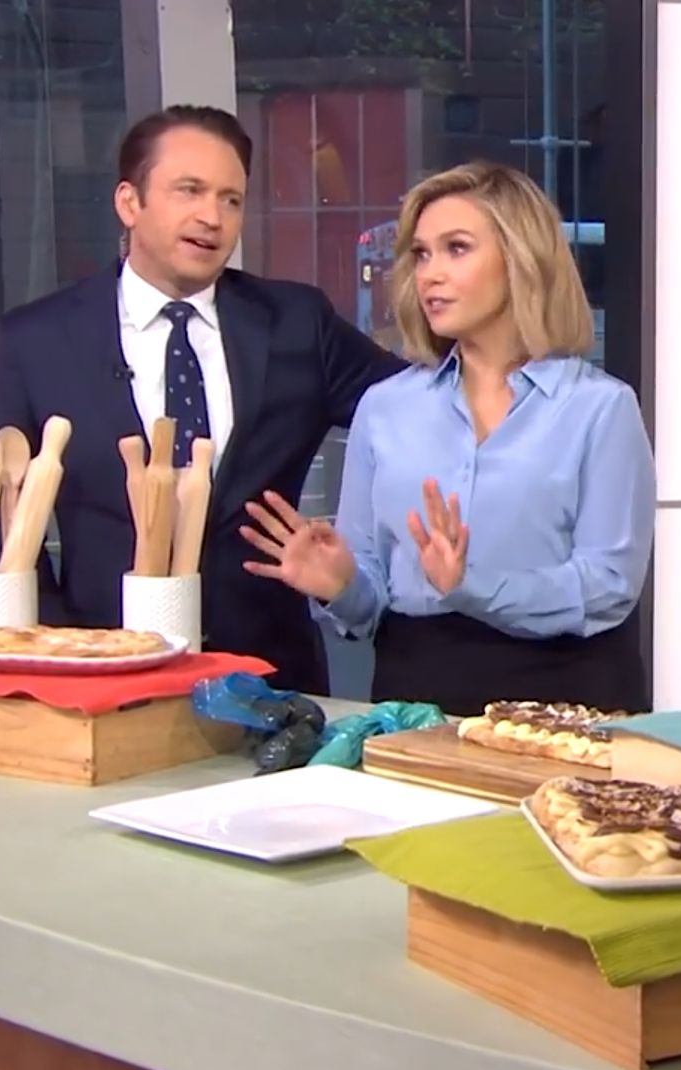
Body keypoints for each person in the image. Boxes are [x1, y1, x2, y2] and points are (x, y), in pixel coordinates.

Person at [0, 105, 404, 693]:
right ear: (129, 202)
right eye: (190, 191)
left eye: (231, 199)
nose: (212, 217)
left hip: (271, 684)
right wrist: (61, 660)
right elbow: (4, 525)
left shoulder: (296, 323)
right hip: (100, 682)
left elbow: (419, 412)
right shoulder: (37, 340)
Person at [239, 162, 656, 716]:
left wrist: (470, 584)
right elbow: (371, 599)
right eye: (421, 254)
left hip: (571, 693)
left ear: (520, 258)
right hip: (419, 688)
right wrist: (339, 586)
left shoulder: (600, 408)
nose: (429, 274)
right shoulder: (384, 408)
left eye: (456, 249)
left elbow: (607, 586)